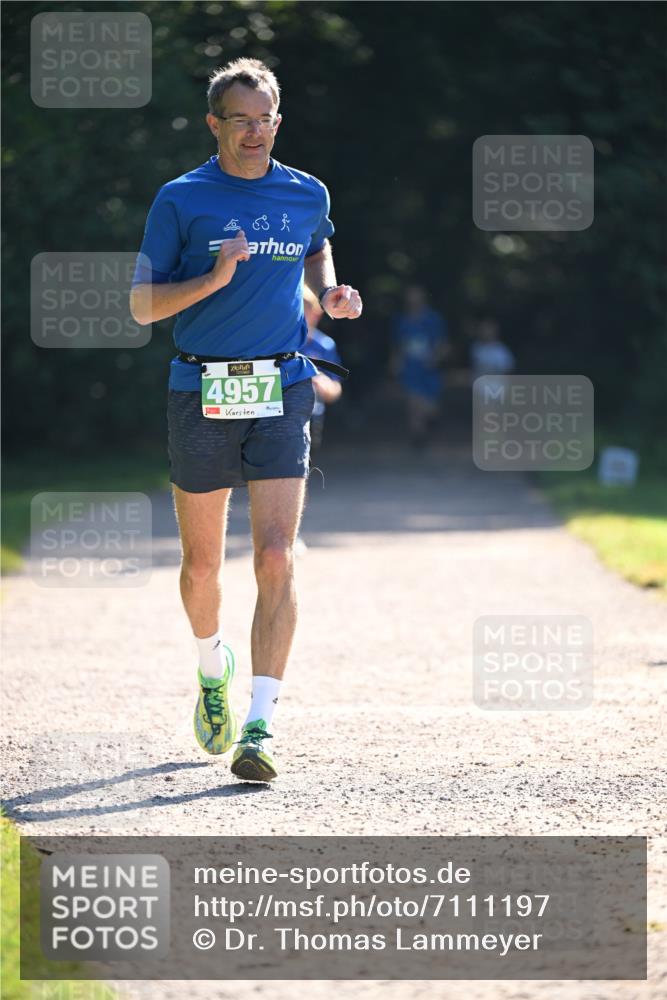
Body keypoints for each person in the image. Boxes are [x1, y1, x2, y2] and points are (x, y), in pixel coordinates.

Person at [130, 58, 362, 782]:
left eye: (266, 119)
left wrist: (330, 293)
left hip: (283, 384)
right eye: (241, 120)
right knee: (203, 565)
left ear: (277, 122)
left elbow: (317, 246)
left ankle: (258, 724)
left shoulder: (305, 192)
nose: (255, 132)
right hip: (198, 387)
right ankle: (211, 669)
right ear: (215, 124)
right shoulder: (181, 199)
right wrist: (214, 278)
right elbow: (142, 307)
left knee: (273, 556)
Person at [391, 285, 449, 447]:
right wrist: (396, 364)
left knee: (430, 407)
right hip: (410, 369)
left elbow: (443, 344)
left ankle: (430, 423)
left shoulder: (433, 319)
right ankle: (417, 439)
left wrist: (435, 358)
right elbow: (398, 346)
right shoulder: (402, 321)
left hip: (429, 369)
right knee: (413, 403)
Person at [302, 286, 343, 450]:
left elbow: (335, 390)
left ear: (316, 314)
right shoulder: (276, 345)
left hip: (312, 416)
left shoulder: (324, 346)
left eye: (304, 309)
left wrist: (319, 381)